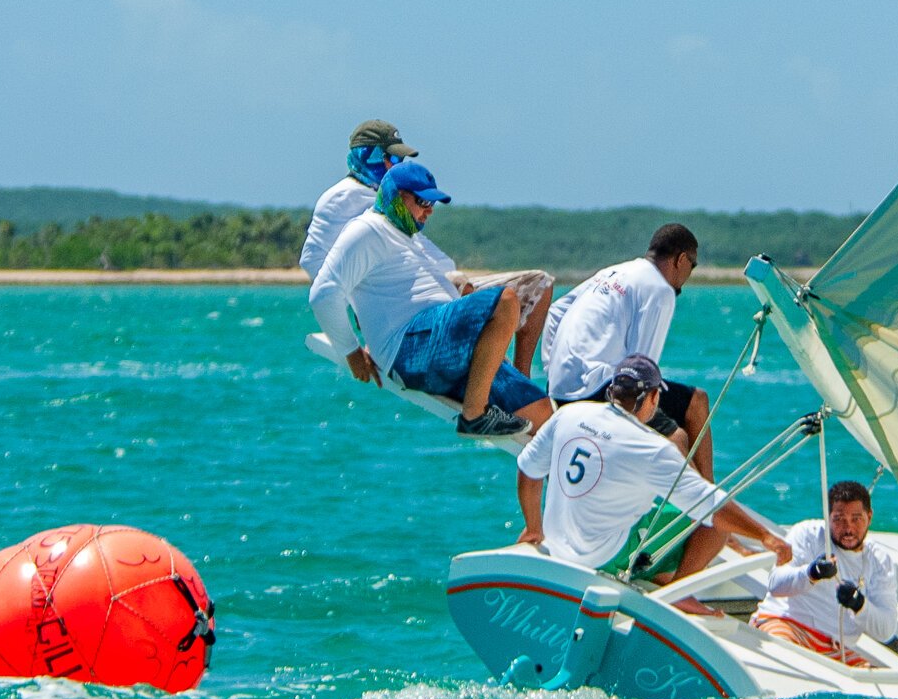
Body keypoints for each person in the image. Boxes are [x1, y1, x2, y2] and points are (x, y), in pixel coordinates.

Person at [516, 354, 790, 613]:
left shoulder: (570, 415)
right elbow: (710, 506)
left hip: (557, 545)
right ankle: (680, 589)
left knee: (654, 505)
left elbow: (528, 469)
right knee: (716, 519)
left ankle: (659, 568)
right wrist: (766, 536)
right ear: (653, 396)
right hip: (602, 558)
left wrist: (533, 527)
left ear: (612, 390)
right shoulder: (652, 448)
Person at [309, 161, 553, 439]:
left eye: (433, 204)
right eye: (423, 201)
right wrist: (351, 351)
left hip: (444, 349)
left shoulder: (406, 237)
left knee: (543, 416)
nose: (429, 211)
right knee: (504, 302)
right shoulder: (369, 230)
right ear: (398, 197)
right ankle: (475, 415)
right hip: (412, 347)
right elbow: (324, 293)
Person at [300, 119, 552, 376]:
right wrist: (359, 323)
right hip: (405, 307)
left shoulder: (390, 195)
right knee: (477, 295)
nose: (392, 167)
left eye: (398, 161)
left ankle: (521, 379)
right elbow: (312, 259)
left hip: (435, 287)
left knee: (539, 284)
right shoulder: (344, 195)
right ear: (365, 156)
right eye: (388, 158)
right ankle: (495, 379)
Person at [541, 223, 715, 478]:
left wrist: (552, 369)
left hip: (559, 388)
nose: (689, 276)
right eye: (693, 265)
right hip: (597, 390)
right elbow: (642, 370)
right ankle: (705, 511)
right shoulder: (660, 290)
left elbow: (556, 311)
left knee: (695, 401)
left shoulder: (613, 272)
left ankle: (705, 499)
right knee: (676, 438)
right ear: (680, 259)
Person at [749, 480, 898, 664]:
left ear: (870, 517)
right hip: (787, 624)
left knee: (874, 685)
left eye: (856, 519)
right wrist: (812, 572)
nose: (849, 528)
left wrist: (859, 604)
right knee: (783, 655)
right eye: (839, 519)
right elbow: (776, 585)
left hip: (834, 647)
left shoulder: (879, 560)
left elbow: (886, 630)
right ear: (827, 517)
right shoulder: (807, 534)